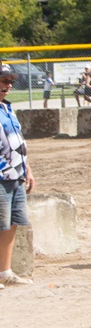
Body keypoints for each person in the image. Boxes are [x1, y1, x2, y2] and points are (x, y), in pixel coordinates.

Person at [0, 62, 35, 290]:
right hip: (1, 176)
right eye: (4, 80)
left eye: (11, 81)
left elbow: (17, 144)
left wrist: (28, 169)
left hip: (16, 175)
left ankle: (5, 271)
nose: (9, 85)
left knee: (11, 224)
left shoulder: (7, 109)